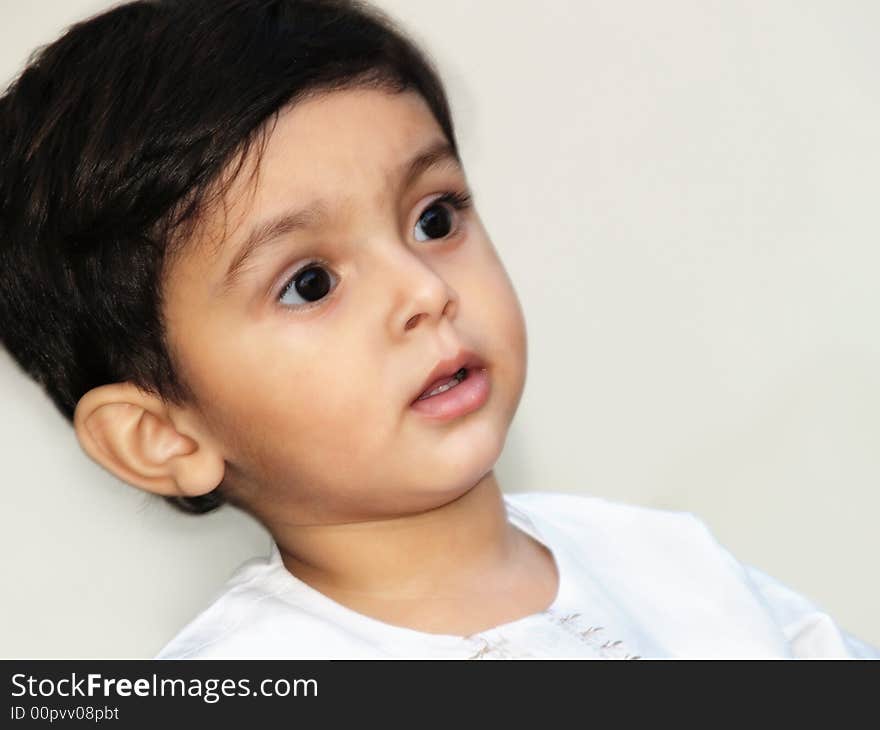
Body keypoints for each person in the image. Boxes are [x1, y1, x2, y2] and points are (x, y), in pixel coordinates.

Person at [0, 0, 875, 660]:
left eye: (435, 218)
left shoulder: (664, 559)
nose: (424, 289)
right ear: (161, 435)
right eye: (310, 283)